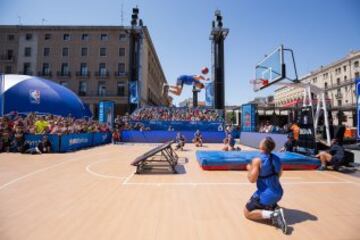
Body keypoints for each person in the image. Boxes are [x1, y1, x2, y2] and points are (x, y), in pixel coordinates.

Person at [244, 137, 287, 234]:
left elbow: (252, 179)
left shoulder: (258, 160)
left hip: (267, 194)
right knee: (266, 199)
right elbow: (279, 175)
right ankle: (272, 206)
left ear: (262, 146)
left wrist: (249, 169)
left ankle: (274, 214)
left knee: (247, 213)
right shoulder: (277, 159)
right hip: (278, 192)